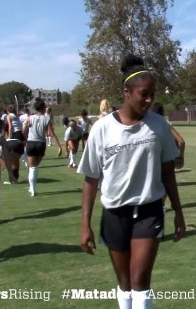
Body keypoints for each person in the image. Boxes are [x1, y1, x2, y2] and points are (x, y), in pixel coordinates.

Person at [78, 54, 185, 309]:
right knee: (124, 281)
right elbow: (91, 179)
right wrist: (85, 225)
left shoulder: (158, 125)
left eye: (152, 95)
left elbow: (168, 172)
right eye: (144, 94)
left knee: (140, 279)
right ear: (126, 92)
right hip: (115, 213)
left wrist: (179, 213)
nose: (149, 100)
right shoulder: (102, 129)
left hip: (149, 211)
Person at [22, 99, 62, 196]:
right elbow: (52, 133)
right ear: (43, 108)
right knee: (35, 167)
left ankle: (32, 189)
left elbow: (24, 131)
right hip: (41, 144)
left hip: (31, 143)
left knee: (32, 167)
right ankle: (33, 188)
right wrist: (59, 146)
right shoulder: (47, 118)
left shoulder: (29, 118)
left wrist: (25, 140)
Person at [150, 103, 185, 170]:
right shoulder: (165, 123)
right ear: (162, 112)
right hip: (167, 161)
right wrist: (180, 157)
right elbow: (181, 142)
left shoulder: (147, 123)